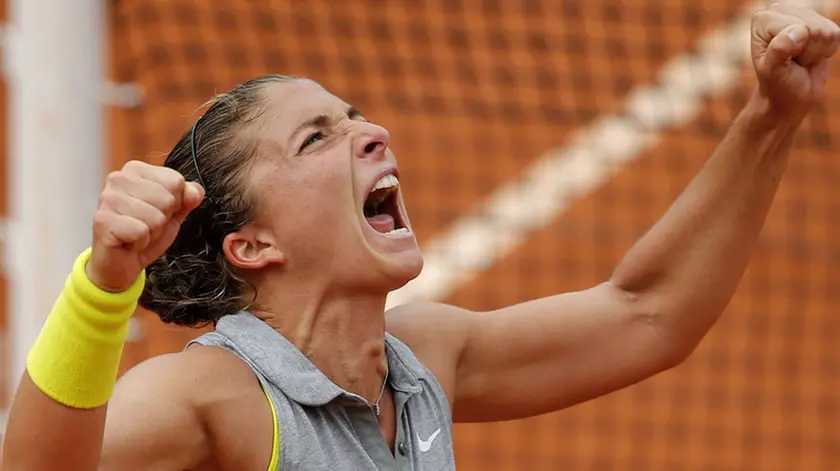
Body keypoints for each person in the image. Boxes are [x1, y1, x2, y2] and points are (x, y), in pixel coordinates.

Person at [3, 4, 838, 471]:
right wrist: (104, 284)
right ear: (252, 245)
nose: (373, 134)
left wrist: (772, 115)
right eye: (316, 139)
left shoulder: (418, 361)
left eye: (354, 118)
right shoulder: (215, 401)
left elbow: (648, 313)